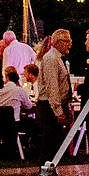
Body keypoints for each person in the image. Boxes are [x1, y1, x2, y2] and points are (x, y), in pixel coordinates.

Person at [35, 29, 73, 166]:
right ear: (57, 42)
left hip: (55, 105)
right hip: (49, 107)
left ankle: (50, 172)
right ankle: (45, 173)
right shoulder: (51, 59)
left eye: (70, 41)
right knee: (49, 143)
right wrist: (58, 111)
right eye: (67, 41)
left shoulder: (60, 59)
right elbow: (53, 87)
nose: (70, 44)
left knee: (55, 143)